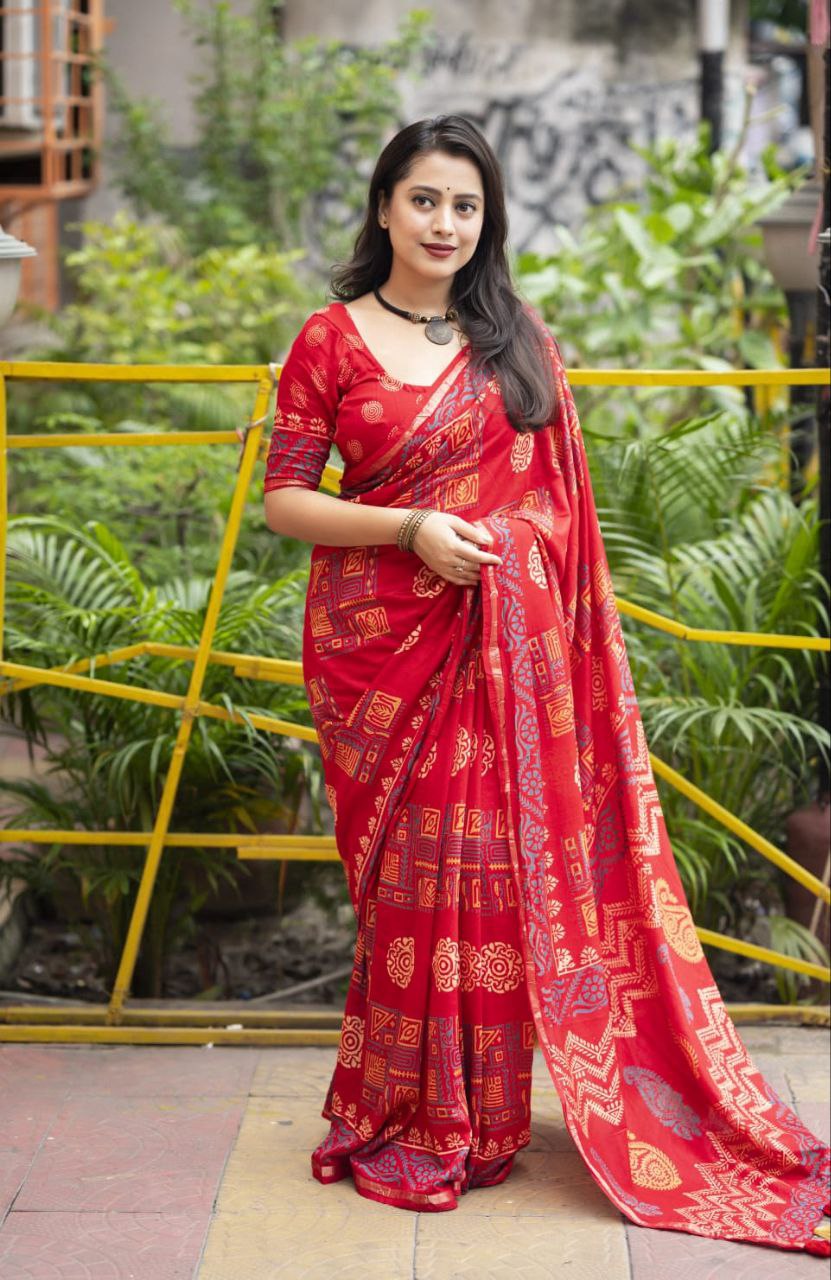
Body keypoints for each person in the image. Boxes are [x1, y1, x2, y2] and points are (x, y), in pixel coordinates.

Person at [261, 115, 831, 1253]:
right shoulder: (329, 338)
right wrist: (415, 524)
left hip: (499, 652)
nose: (443, 223)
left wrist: (502, 551)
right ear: (385, 209)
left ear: (488, 221)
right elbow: (287, 499)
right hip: (381, 653)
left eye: (465, 206)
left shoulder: (517, 339)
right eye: (424, 200)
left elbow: (555, 510)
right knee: (411, 889)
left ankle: (478, 1116)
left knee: (479, 875)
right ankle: (402, 1107)